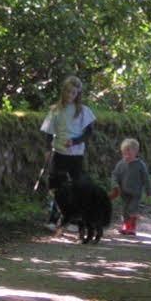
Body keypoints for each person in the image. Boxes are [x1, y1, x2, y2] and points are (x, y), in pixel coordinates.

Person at [40, 76, 96, 226]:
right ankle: (53, 218)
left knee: (75, 187)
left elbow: (89, 132)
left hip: (76, 156)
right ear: (63, 91)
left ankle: (73, 219)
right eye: (68, 92)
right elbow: (49, 133)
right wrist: (47, 150)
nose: (70, 95)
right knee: (56, 187)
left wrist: (75, 141)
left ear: (78, 94)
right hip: (59, 154)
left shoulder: (84, 111)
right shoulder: (55, 110)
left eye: (74, 93)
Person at [109, 138, 151, 235]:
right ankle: (125, 226)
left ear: (136, 152)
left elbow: (146, 178)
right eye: (124, 152)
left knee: (132, 209)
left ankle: (132, 227)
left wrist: (149, 191)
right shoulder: (121, 164)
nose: (126, 154)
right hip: (123, 192)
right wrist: (115, 184)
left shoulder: (140, 165)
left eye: (129, 151)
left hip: (136, 193)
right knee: (124, 210)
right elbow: (115, 175)